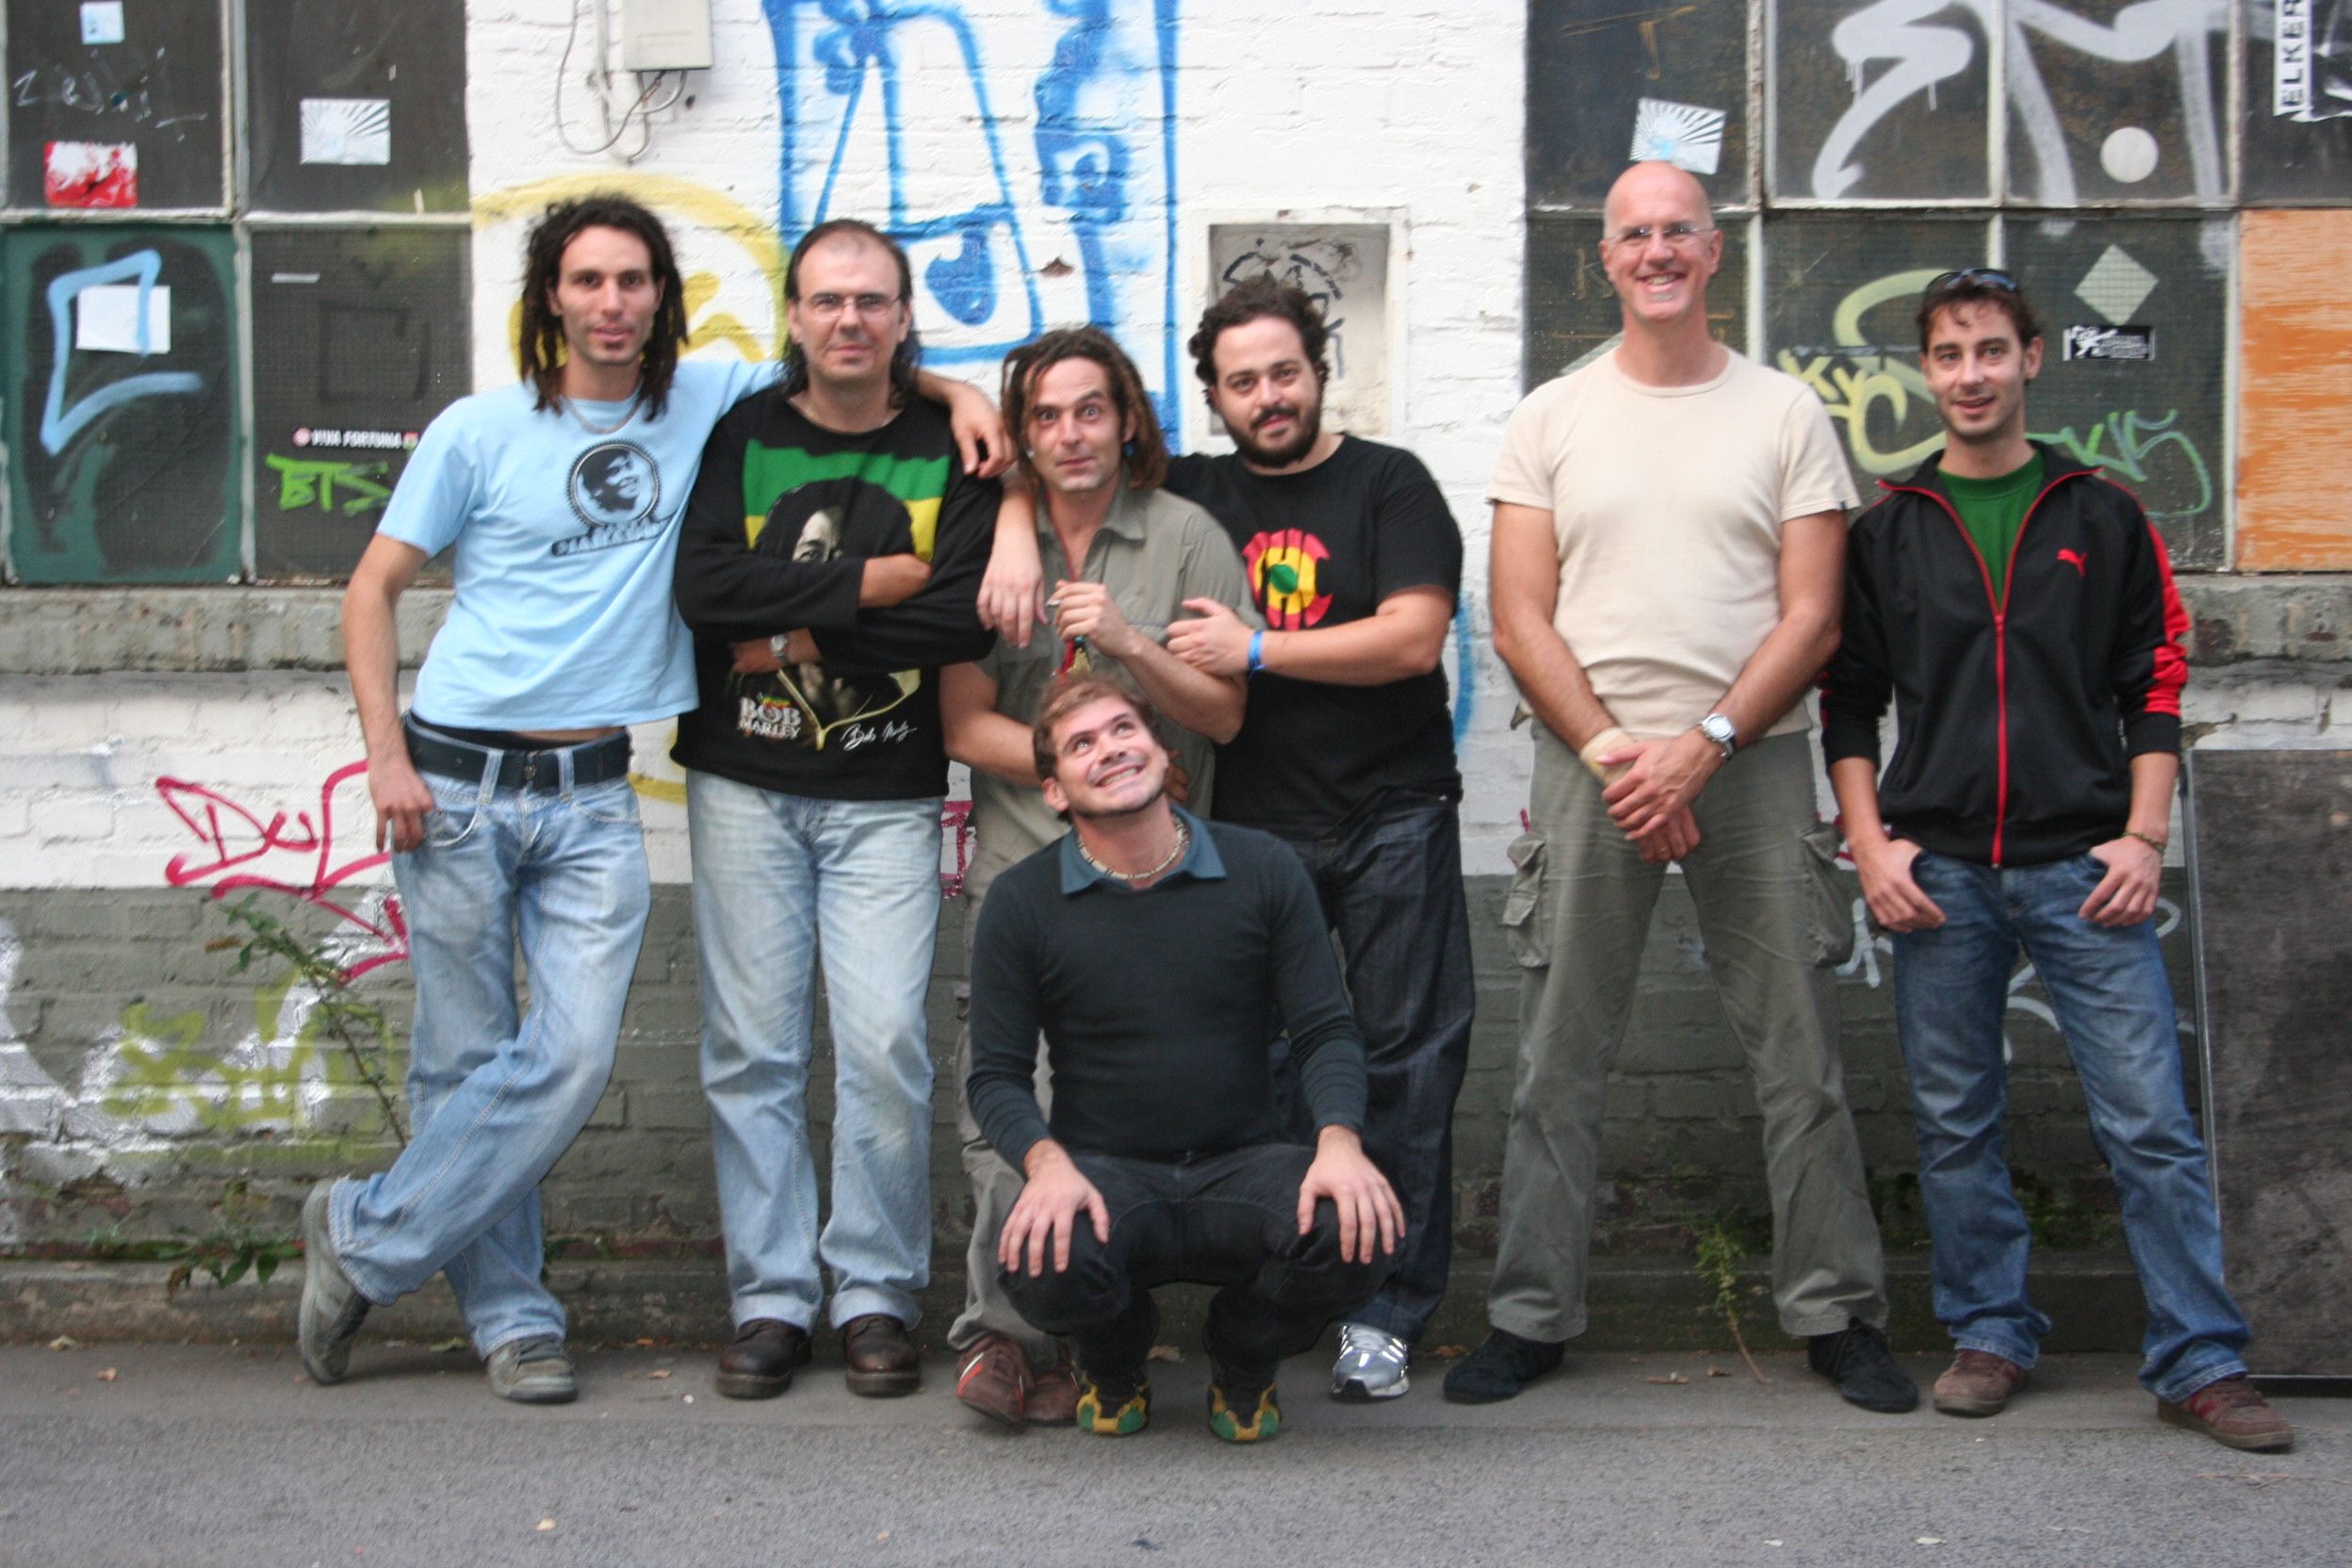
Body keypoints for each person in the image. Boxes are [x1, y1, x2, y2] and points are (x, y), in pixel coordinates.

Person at [303, 195, 1004, 1406]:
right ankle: (518, 1316)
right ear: (552, 295)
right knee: (471, 1064)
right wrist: (383, 753)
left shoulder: (704, 398)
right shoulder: (485, 429)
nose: (613, 302)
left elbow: (868, 399)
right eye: (589, 280)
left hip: (597, 789)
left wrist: (963, 396)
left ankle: (365, 1233)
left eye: (633, 280)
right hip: (458, 775)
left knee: (587, 1057)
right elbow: (386, 590)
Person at [1819, 269, 2291, 1451]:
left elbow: (2155, 683)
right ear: (1926, 372)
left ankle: (2200, 1356)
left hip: (2087, 867)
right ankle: (1990, 1331)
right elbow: (1849, 703)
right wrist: (1871, 846)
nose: (1970, 374)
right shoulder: (1890, 529)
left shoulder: (2101, 513)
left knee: (2150, 1121)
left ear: (2031, 358)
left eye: (1991, 349)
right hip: (1939, 874)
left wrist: (2143, 835)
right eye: (1948, 354)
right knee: (1955, 1122)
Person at [1465, 160, 1912, 1413]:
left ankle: (1836, 1314)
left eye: (1678, 231)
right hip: (1592, 769)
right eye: (1634, 234)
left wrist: (1705, 742)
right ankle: (1530, 1315)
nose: (1657, 251)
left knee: (1800, 1060)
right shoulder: (1550, 417)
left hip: (1752, 763)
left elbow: (1814, 616)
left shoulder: (1785, 414)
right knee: (1557, 1058)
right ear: (1604, 258)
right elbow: (1518, 615)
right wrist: (1620, 753)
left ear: (1713, 251)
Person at [980, 273, 1472, 1403]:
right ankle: (1276, 1298)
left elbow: (1412, 637)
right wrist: (1010, 520)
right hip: (1252, 820)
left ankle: (1385, 1312)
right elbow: (1047, 459)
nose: (1268, 396)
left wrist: (1256, 650)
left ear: (1319, 372)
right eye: (1243, 381)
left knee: (1405, 1059)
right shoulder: (1193, 491)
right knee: (1278, 1066)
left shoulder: (1388, 481)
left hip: (1391, 807)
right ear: (1211, 397)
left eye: (1285, 372)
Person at [670, 218, 999, 1400]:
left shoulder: (951, 445)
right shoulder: (745, 432)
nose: (848, 319)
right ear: (795, 317)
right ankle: (770, 1297)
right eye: (826, 300)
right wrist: (872, 581)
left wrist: (795, 633)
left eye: (870, 300)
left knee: (883, 1044)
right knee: (752, 1050)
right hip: (744, 783)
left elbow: (959, 613)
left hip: (885, 792)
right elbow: (705, 588)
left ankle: (873, 1294)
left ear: (904, 317)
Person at [939, 327, 1260, 1427]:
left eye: (1091, 409)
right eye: (1045, 415)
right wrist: (1081, 772)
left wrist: (1129, 641)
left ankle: (1093, 1327)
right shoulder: (989, 540)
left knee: (1126, 1098)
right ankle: (1004, 1334)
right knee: (1005, 1096)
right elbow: (961, 720)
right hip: (1023, 863)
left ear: (1127, 420)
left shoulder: (1186, 537)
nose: (1070, 433)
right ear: (1021, 435)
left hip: (1160, 880)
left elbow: (1224, 715)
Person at [967, 677, 1403, 1442]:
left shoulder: (1262, 867)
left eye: (1123, 729)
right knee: (1040, 1258)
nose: (1109, 750)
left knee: (1355, 1225)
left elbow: (1325, 1030)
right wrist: (1046, 1164)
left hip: (1244, 1166)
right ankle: (1113, 1361)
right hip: (1105, 1174)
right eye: (1082, 744)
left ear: (1163, 754)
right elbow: (995, 1075)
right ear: (1055, 791)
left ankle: (1243, 1356)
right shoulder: (1021, 900)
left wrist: (1339, 1142)